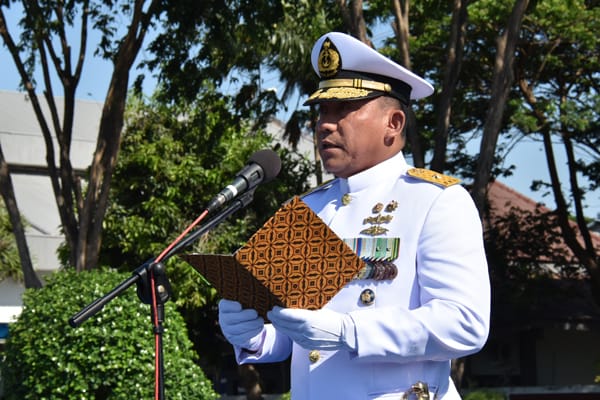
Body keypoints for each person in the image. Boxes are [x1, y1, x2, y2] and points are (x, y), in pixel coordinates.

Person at [218, 31, 490, 399]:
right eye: (323, 111)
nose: (325, 124)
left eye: (343, 109)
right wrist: (254, 335)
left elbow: (465, 323)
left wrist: (350, 330)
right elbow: (294, 336)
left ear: (394, 123)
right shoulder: (308, 208)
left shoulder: (435, 200)